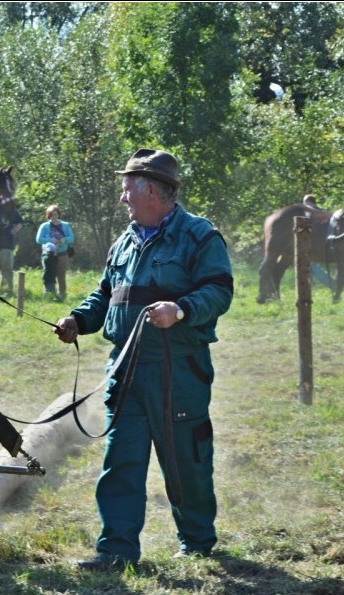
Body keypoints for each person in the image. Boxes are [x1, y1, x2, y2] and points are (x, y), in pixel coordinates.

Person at [53, 148, 233, 571]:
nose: (123, 199)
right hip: (126, 370)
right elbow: (106, 294)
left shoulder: (199, 236)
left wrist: (181, 310)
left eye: (127, 190)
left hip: (178, 370)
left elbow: (219, 291)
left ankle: (197, 543)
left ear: (152, 191)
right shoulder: (125, 240)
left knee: (185, 457)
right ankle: (115, 551)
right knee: (122, 459)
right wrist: (79, 320)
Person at [35, 205, 75, 301]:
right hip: (49, 255)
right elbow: (38, 239)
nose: (54, 217)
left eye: (55, 214)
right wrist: (50, 240)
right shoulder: (44, 226)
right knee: (49, 274)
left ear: (58, 215)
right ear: (48, 216)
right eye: (51, 215)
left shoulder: (65, 225)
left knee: (61, 275)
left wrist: (64, 240)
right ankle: (49, 295)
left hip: (62, 253)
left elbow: (72, 238)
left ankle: (62, 295)